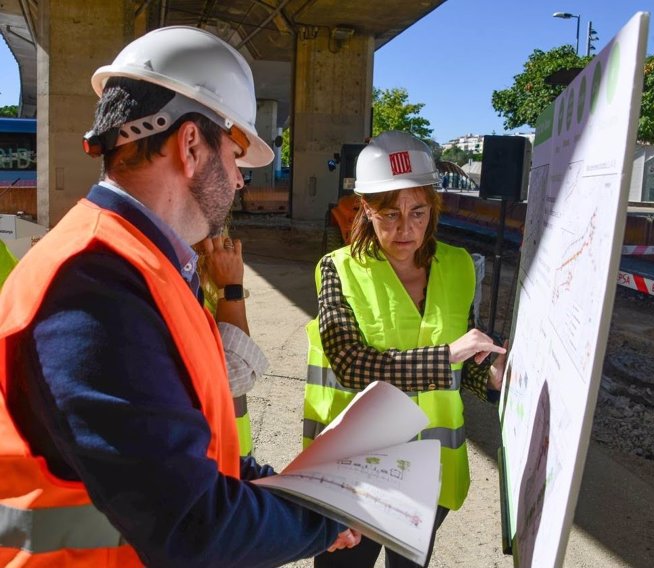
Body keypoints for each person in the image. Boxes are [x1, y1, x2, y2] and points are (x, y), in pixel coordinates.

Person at [0, 26, 360, 567]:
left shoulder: (144, 266)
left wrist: (288, 488)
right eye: (237, 152)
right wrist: (320, 520)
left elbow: (181, 440)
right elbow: (192, 524)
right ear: (191, 145)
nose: (240, 179)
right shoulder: (93, 282)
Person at [304, 130, 507, 568]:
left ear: (433, 207)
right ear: (365, 209)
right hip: (353, 473)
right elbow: (350, 364)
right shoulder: (338, 270)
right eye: (389, 214)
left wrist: (489, 374)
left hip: (428, 473)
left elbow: (461, 363)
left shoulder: (457, 267)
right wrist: (446, 356)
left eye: (418, 211)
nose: (406, 228)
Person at [195, 231, 268, 457]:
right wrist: (230, 286)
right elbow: (238, 373)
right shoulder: (181, 288)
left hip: (231, 456)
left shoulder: (204, 291)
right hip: (208, 459)